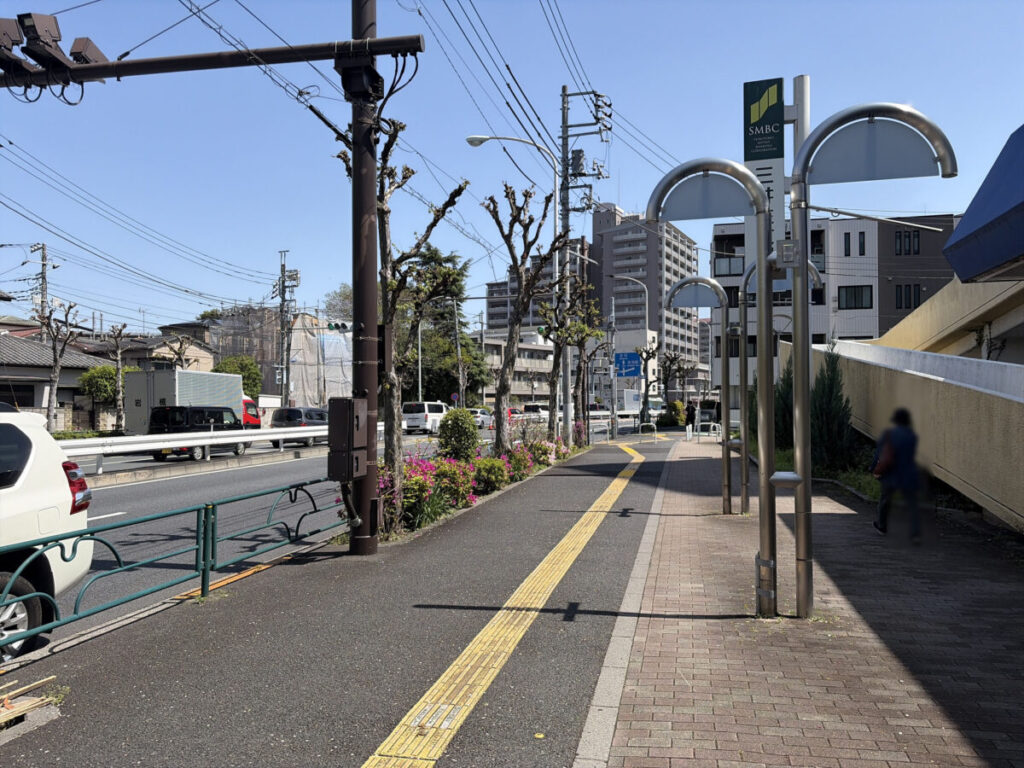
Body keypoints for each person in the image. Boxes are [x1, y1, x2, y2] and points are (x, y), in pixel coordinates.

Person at [870, 407, 920, 541]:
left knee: (885, 500)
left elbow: (880, 453)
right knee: (911, 501)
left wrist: (874, 468)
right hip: (906, 473)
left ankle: (882, 526)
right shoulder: (912, 436)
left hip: (890, 474)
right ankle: (915, 531)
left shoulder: (889, 434)